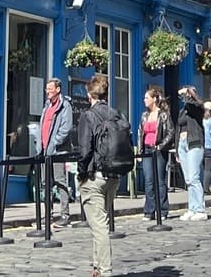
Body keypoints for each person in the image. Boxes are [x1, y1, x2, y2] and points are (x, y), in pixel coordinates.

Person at [74, 74, 120, 277]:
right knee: (101, 222)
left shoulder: (88, 116)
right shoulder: (116, 113)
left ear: (88, 93)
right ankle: (97, 268)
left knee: (99, 226)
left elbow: (85, 150)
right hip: (113, 175)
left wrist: (81, 172)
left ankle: (105, 270)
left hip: (94, 175)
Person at [38, 77, 75, 223]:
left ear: (57, 90)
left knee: (60, 181)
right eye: (47, 89)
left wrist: (54, 143)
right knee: (45, 183)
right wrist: (40, 144)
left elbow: (66, 129)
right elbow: (43, 127)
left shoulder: (65, 106)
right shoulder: (47, 106)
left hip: (58, 151)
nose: (47, 91)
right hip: (45, 150)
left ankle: (64, 214)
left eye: (50, 89)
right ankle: (48, 214)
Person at [139, 88, 173, 219]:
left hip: (158, 150)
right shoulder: (144, 115)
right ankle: (149, 210)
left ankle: (162, 210)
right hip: (147, 150)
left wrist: (160, 146)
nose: (144, 100)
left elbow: (170, 132)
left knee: (159, 180)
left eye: (147, 98)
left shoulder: (163, 114)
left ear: (154, 99)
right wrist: (141, 150)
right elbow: (140, 133)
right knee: (148, 181)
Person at [175, 87, 207, 220]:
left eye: (186, 95)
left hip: (194, 142)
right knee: (188, 179)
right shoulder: (183, 110)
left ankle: (200, 210)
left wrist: (189, 93)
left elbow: (198, 104)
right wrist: (177, 148)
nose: (184, 97)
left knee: (194, 177)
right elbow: (178, 128)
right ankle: (192, 208)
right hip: (183, 144)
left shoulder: (197, 108)